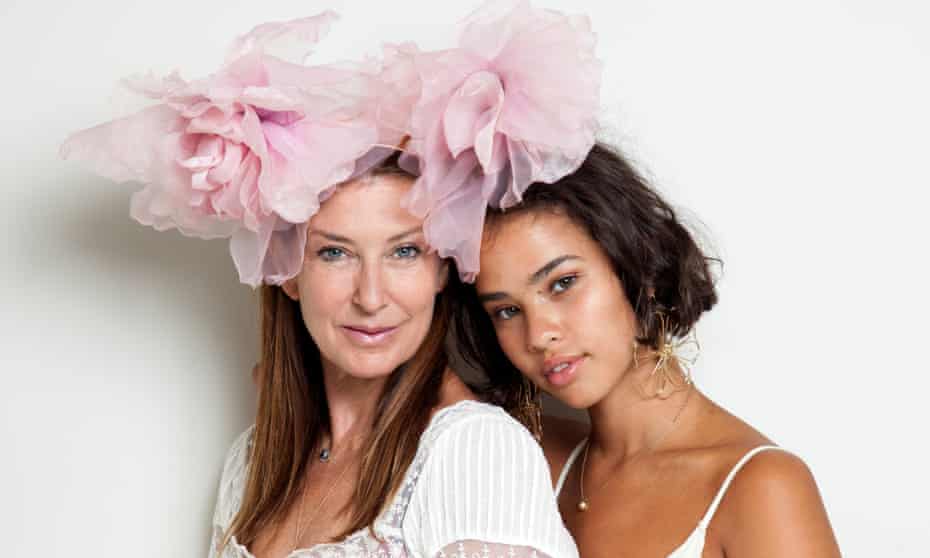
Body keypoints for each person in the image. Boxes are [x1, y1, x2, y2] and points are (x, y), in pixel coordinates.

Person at [61, 8, 580, 558]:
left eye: (405, 252)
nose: (372, 296)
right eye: (335, 253)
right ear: (284, 271)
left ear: (441, 269)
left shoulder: (474, 449)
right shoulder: (254, 461)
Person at [454, 143, 843, 557]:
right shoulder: (523, 457)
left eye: (563, 283)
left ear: (638, 269)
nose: (538, 335)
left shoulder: (760, 487)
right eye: (507, 310)